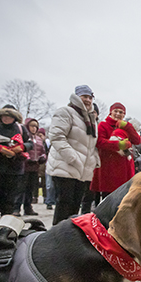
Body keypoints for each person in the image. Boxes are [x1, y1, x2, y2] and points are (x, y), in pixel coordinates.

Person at [47, 85, 101, 225]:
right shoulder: (66, 112)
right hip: (65, 165)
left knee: (75, 205)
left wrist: (94, 159)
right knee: (64, 203)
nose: (87, 100)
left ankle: (68, 236)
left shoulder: (91, 119)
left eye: (90, 97)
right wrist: (72, 157)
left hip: (83, 169)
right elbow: (57, 136)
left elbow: (91, 143)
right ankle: (56, 236)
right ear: (77, 97)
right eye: (84, 96)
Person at [0, 105, 32, 220]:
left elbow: (30, 143)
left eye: (9, 116)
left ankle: (7, 213)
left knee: (11, 192)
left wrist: (22, 147)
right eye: (4, 116)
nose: (6, 118)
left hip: (14, 166)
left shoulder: (21, 128)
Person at [88, 102, 141, 209]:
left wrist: (128, 126)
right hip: (109, 167)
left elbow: (137, 140)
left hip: (124, 168)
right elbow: (100, 142)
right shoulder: (103, 125)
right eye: (115, 111)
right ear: (110, 112)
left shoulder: (126, 127)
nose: (118, 114)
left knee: (123, 198)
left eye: (121, 112)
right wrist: (118, 145)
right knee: (109, 198)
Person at [19, 118, 47, 215]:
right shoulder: (23, 137)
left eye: (36, 126)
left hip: (35, 167)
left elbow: (43, 151)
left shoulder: (39, 139)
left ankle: (28, 207)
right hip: (24, 166)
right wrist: (26, 159)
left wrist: (43, 158)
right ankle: (16, 208)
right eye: (32, 126)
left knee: (31, 188)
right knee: (21, 188)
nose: (34, 128)